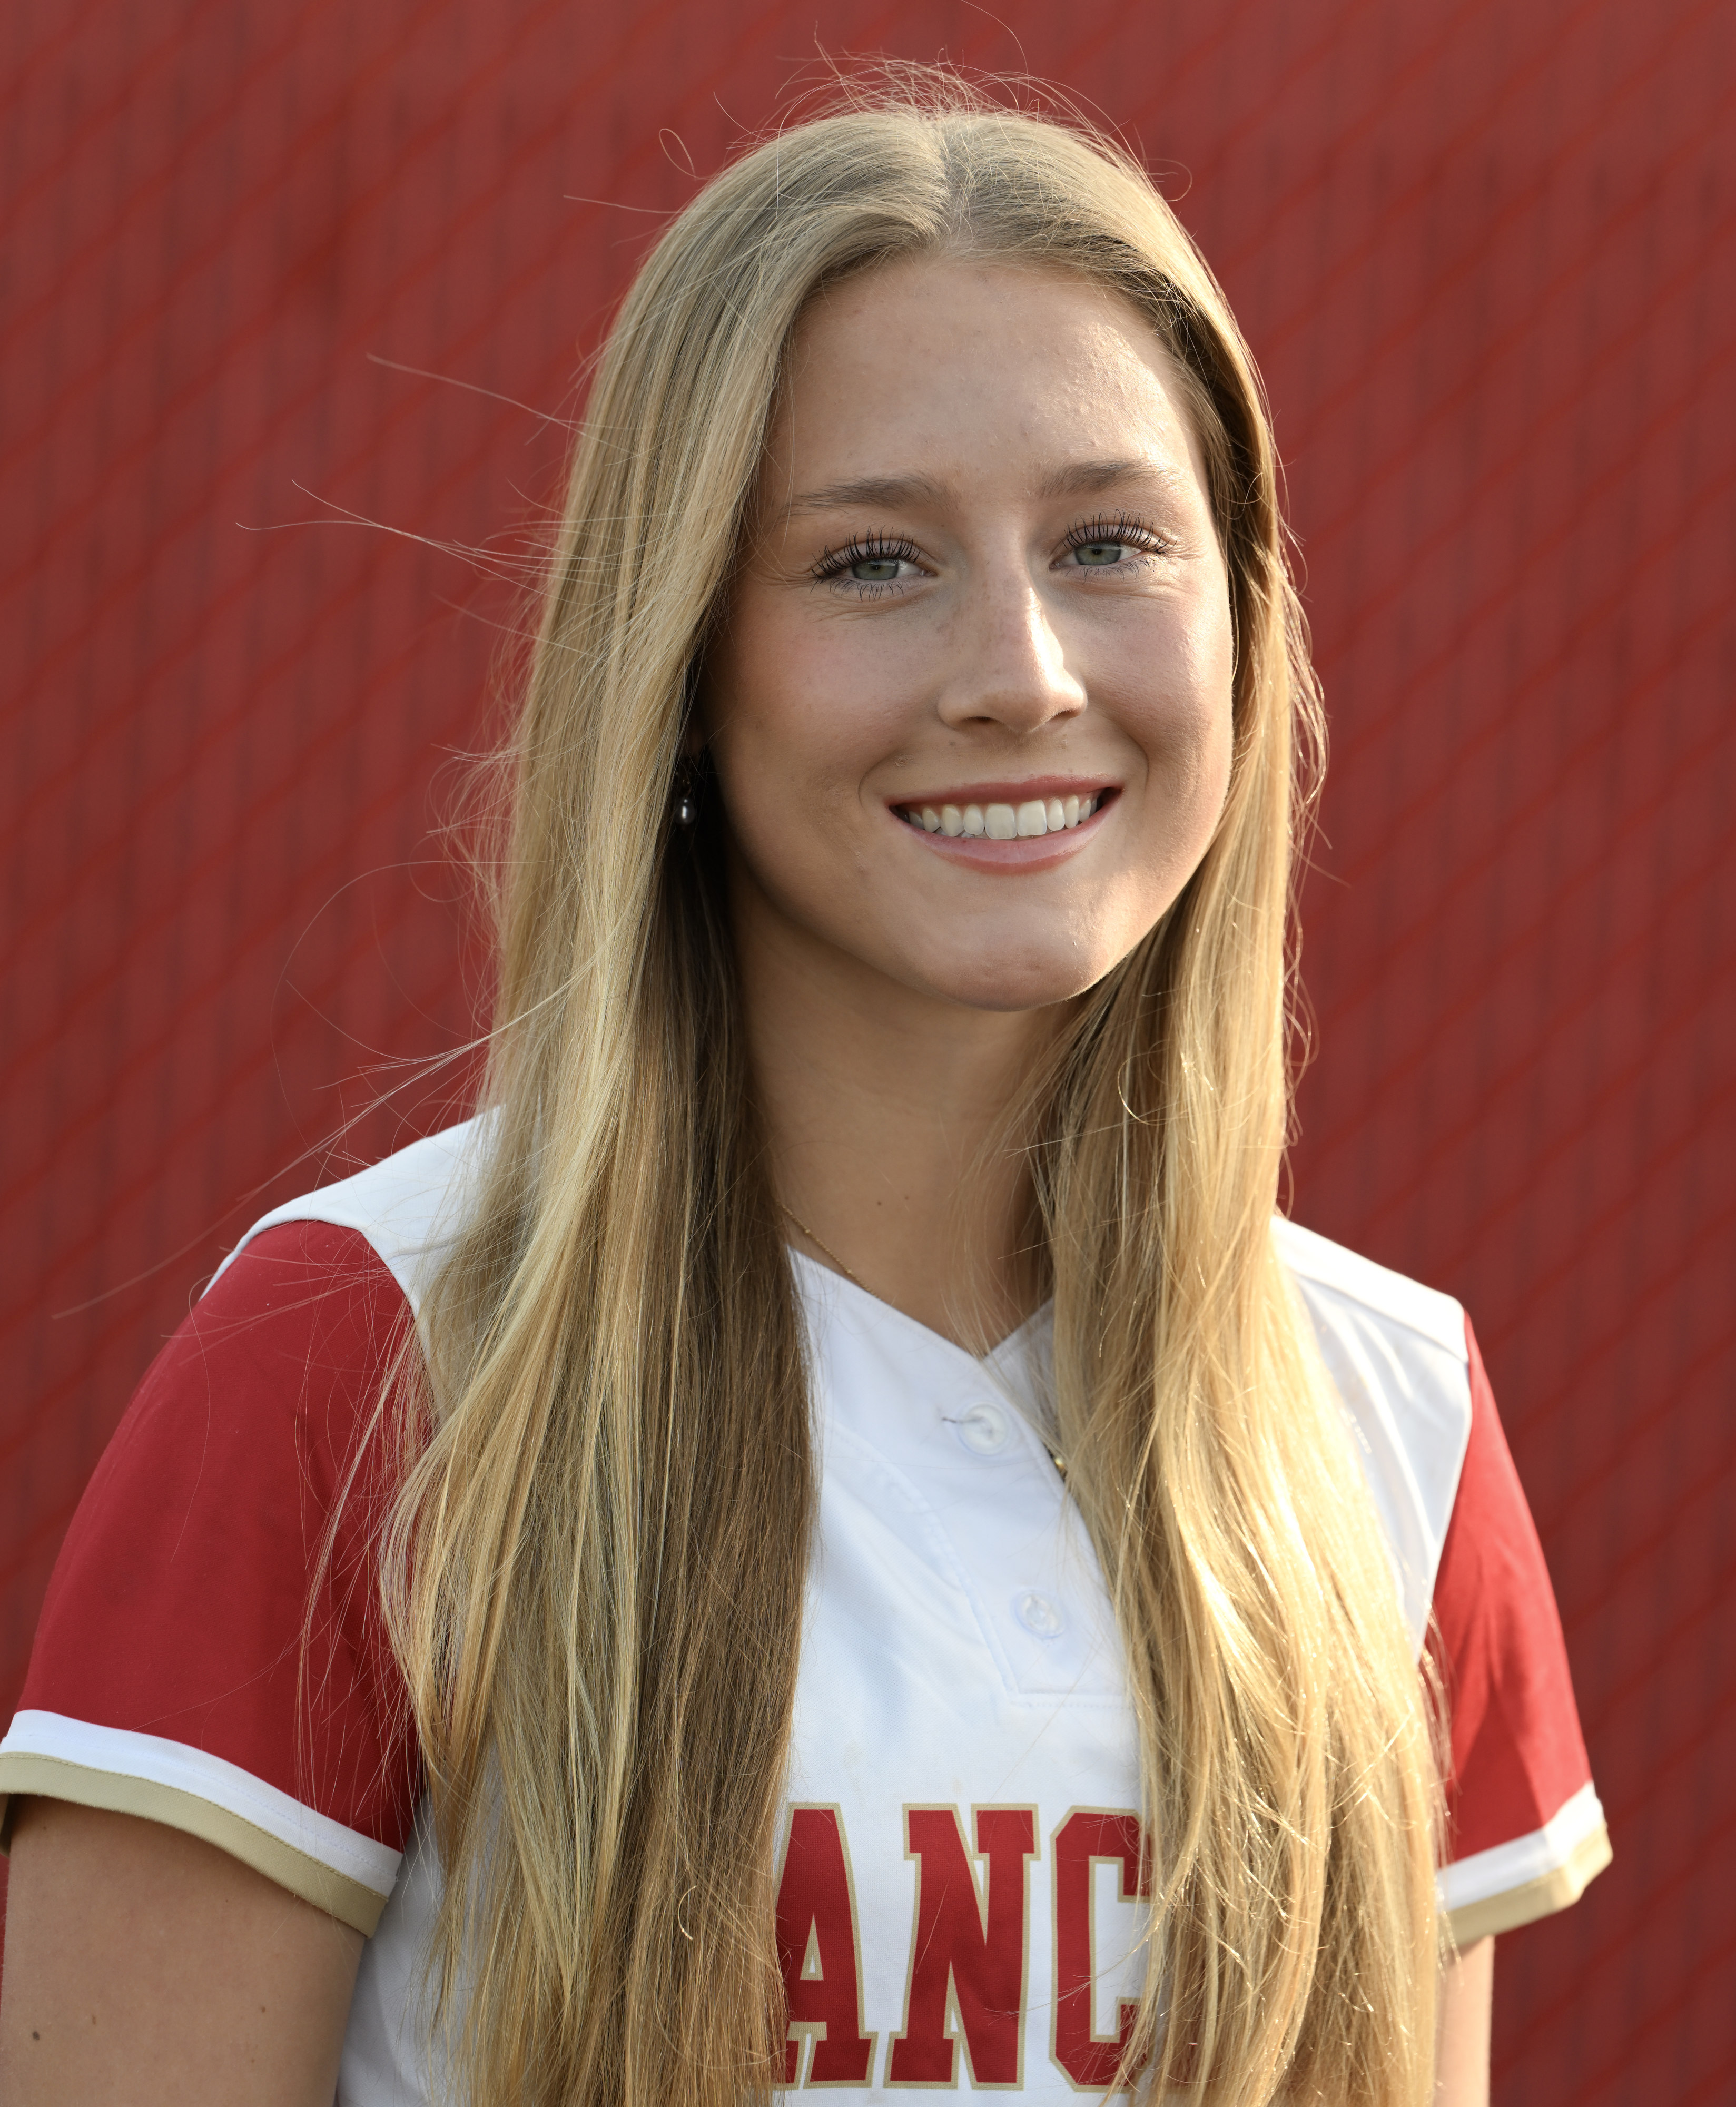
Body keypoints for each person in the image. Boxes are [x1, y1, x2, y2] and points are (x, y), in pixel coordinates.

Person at [0, 78, 1607, 2107]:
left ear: (1246, 624)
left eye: (1112, 541)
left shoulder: (1392, 1419)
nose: (1021, 668)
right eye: (872, 564)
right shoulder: (368, 1359)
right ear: (681, 663)